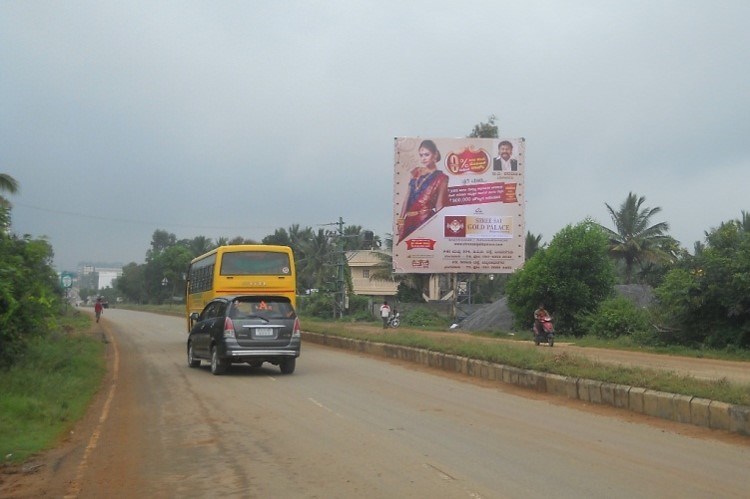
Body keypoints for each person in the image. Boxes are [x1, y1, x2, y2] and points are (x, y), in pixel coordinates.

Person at [397, 139, 450, 243]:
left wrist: (441, 227)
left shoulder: (441, 178)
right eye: (421, 155)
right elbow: (406, 198)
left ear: (434, 155)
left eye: (426, 154)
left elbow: (439, 205)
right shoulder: (416, 172)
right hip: (408, 221)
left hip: (425, 220)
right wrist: (401, 220)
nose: (423, 158)